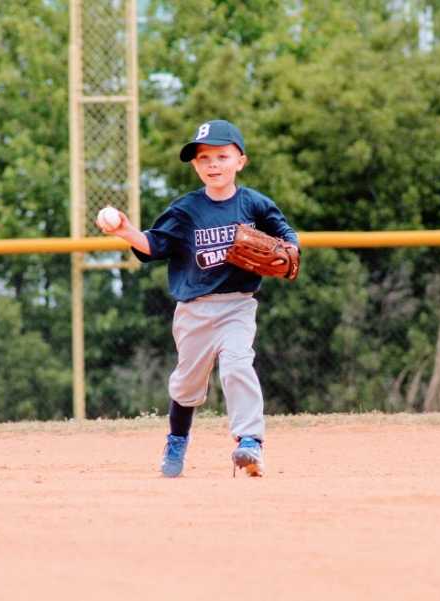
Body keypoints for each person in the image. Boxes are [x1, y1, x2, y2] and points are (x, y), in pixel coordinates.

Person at [97, 119, 299, 478]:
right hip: (195, 310)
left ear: (241, 161)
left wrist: (292, 246)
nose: (213, 164)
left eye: (222, 156)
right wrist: (125, 230)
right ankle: (177, 438)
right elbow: (155, 245)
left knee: (238, 364)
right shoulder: (186, 209)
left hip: (238, 303)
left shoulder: (254, 204)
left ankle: (249, 442)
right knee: (187, 385)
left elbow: (284, 231)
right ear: (194, 165)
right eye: (203, 158)